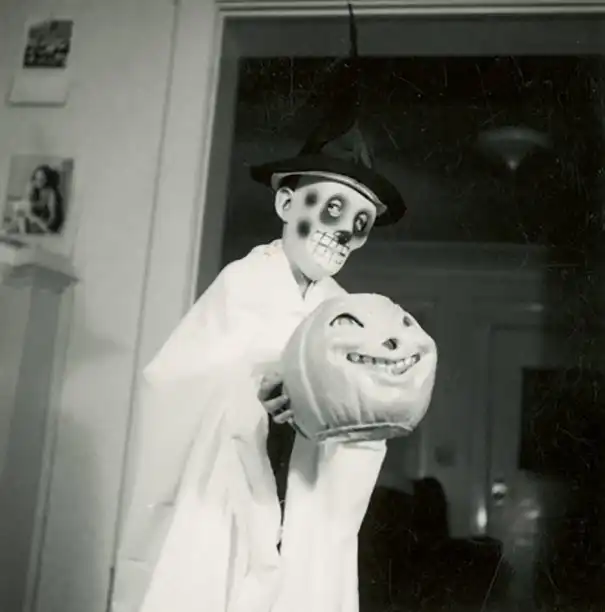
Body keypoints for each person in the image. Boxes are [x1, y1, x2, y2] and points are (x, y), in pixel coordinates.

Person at [111, 13, 430, 611]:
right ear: (286, 203)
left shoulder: (343, 313)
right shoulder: (242, 285)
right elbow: (174, 386)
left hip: (303, 502)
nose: (343, 233)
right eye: (330, 208)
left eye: (360, 223)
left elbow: (356, 419)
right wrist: (251, 396)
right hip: (228, 505)